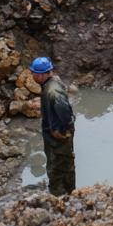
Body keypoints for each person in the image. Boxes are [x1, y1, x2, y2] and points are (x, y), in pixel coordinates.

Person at [31, 56, 75, 196]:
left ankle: (60, 196)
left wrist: (61, 130)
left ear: (42, 74)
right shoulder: (50, 84)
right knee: (61, 166)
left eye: (34, 73)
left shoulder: (53, 91)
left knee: (58, 168)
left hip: (58, 138)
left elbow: (65, 112)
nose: (32, 76)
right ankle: (68, 193)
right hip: (53, 136)